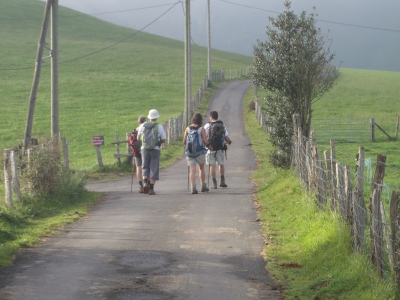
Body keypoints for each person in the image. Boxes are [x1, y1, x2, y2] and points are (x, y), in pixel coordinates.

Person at [137, 109, 166, 195]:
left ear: (149, 117)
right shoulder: (159, 126)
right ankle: (151, 188)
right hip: (155, 149)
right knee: (154, 168)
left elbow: (138, 138)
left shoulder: (143, 125)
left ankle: (145, 183)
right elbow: (164, 139)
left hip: (144, 149)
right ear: (156, 117)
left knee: (145, 167)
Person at [183, 113, 212, 194]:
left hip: (190, 152)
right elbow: (206, 141)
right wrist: (209, 146)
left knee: (192, 170)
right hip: (200, 152)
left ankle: (193, 187)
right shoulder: (201, 129)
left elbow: (184, 141)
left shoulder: (188, 128)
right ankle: (203, 186)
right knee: (201, 168)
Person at [204, 110, 232, 189]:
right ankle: (222, 181)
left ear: (211, 117)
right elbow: (226, 137)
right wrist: (229, 141)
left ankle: (214, 183)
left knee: (212, 165)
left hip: (210, 148)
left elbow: (204, 136)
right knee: (221, 164)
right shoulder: (222, 125)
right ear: (217, 117)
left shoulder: (207, 125)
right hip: (220, 148)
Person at [132, 115, 146, 193]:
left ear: (138, 122)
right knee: (146, 167)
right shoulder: (147, 128)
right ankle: (146, 184)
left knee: (138, 167)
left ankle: (140, 185)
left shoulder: (135, 130)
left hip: (137, 151)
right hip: (145, 150)